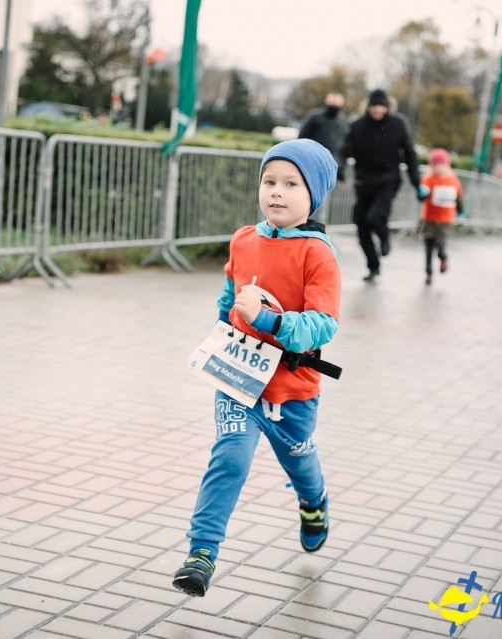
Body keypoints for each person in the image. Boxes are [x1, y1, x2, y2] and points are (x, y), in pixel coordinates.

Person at [173, 139, 340, 598]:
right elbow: (230, 294)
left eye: (291, 184)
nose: (277, 192)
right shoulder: (245, 238)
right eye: (269, 181)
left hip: (293, 388)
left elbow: (323, 325)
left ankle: (313, 501)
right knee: (230, 456)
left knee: (301, 463)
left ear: (314, 194)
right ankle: (201, 553)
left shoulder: (318, 253)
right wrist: (220, 331)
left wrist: (271, 321)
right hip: (240, 378)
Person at [340, 89, 426, 282]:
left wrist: (417, 182)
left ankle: (385, 238)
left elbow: (410, 154)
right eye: (374, 106)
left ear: (387, 107)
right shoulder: (357, 126)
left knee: (376, 217)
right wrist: (340, 167)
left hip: (388, 181)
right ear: (369, 107)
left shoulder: (398, 124)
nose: (378, 110)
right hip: (364, 182)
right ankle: (374, 266)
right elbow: (344, 149)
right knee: (361, 226)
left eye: (382, 106)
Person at [418, 148, 463, 285]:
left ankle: (443, 258)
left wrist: (461, 209)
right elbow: (422, 195)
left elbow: (458, 197)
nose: (439, 168)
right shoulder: (428, 179)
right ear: (431, 166)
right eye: (435, 165)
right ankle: (428, 272)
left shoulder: (453, 180)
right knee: (428, 248)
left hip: (445, 220)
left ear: (447, 165)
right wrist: (422, 193)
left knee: (441, 244)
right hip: (429, 219)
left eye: (441, 164)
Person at [298, 92, 348, 181]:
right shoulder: (315, 117)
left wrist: (340, 167)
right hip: (313, 159)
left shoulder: (342, 120)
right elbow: (303, 136)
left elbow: (343, 144)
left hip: (331, 162)